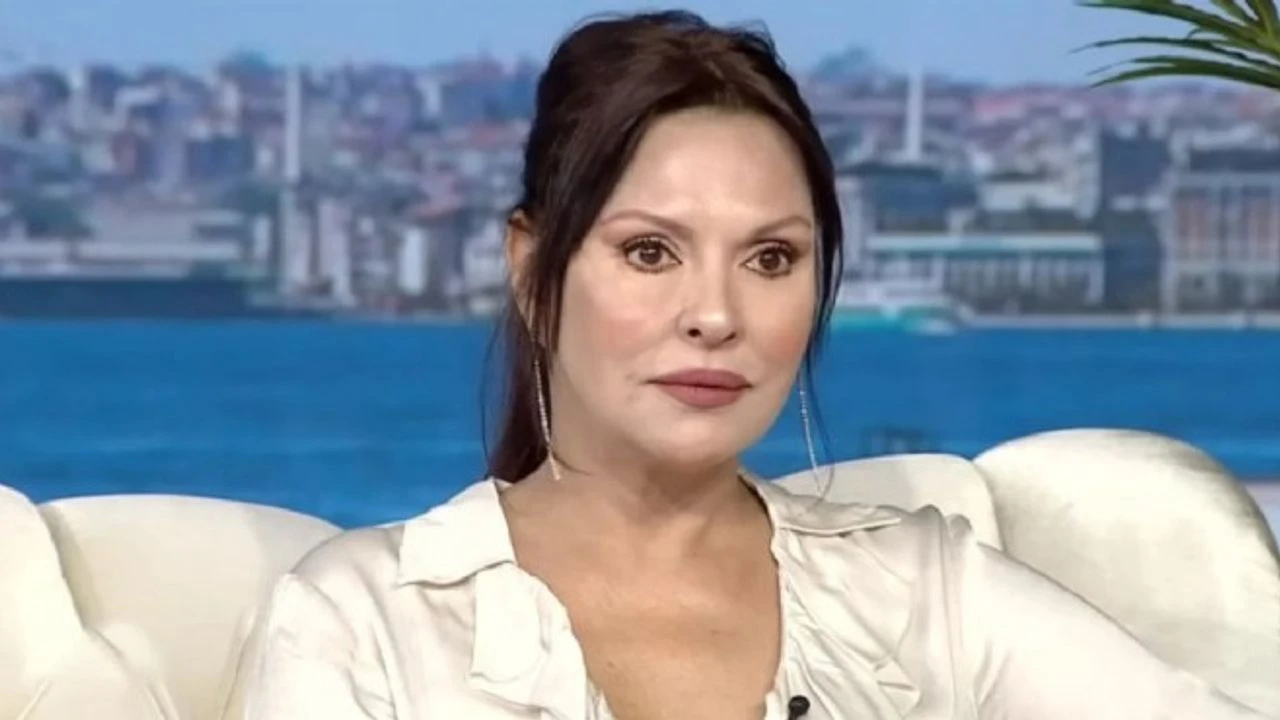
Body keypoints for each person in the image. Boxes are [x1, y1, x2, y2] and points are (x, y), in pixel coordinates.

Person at [240, 10, 1273, 719]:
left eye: (771, 259)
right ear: (532, 269)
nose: (715, 316)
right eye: (651, 252)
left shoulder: (926, 590)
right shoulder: (363, 619)